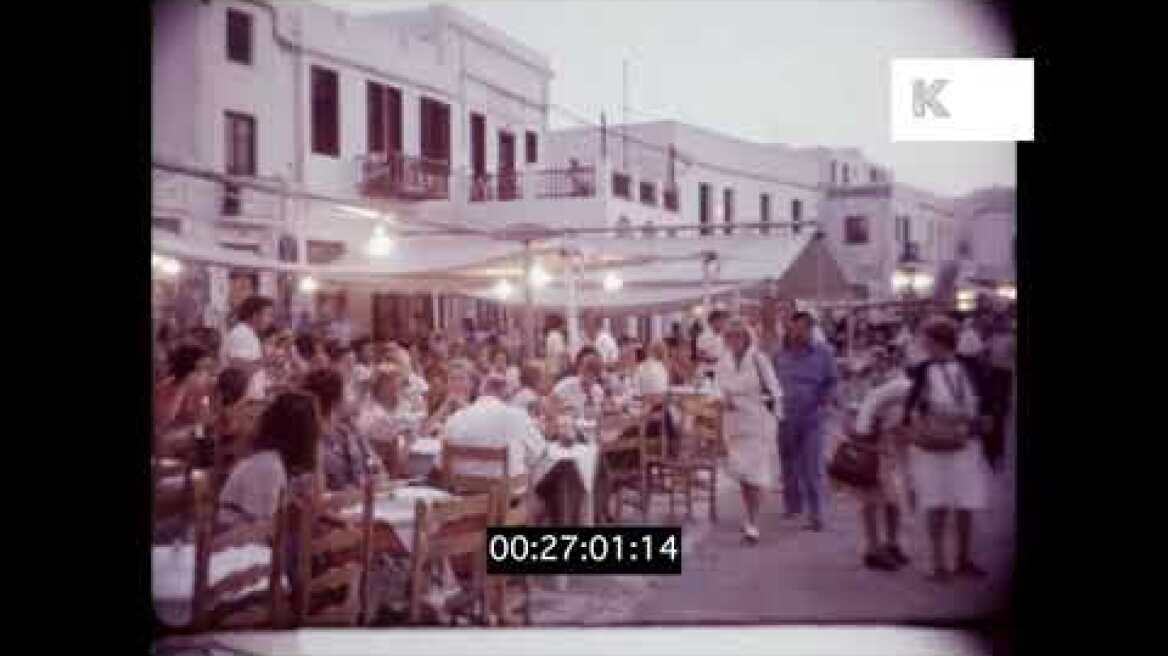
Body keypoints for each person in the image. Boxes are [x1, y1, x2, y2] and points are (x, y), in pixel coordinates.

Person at [902, 316, 992, 582]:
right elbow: (910, 409)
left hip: (965, 444)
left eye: (927, 341)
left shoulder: (970, 368)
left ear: (939, 342)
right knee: (937, 502)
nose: (924, 346)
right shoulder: (922, 371)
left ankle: (963, 559)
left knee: (965, 504)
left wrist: (977, 423)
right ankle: (938, 563)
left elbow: (986, 405)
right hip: (934, 446)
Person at [717, 318, 782, 543]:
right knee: (743, 474)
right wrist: (723, 399)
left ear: (746, 337)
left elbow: (775, 391)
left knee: (756, 474)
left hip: (756, 423)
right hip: (733, 424)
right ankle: (748, 514)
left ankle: (752, 522)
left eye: (738, 335)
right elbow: (718, 388)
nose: (733, 340)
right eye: (730, 336)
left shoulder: (758, 360)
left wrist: (772, 416)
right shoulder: (723, 361)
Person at [774, 311, 839, 532]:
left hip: (812, 416)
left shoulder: (824, 353)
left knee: (812, 465)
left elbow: (833, 381)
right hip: (785, 416)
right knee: (788, 463)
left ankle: (817, 513)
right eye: (793, 329)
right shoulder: (780, 355)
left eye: (802, 329)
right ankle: (793, 505)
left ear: (811, 329)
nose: (797, 334)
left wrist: (825, 402)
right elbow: (770, 383)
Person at [216, 391, 320, 530]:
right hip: (236, 539)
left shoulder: (280, 463)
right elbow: (264, 529)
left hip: (254, 536)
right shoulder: (268, 466)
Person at [851, 366, 914, 571]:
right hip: (871, 437)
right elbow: (871, 402)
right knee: (872, 495)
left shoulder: (913, 391)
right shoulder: (906, 387)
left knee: (893, 498)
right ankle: (873, 550)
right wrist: (865, 439)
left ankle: (892, 544)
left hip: (888, 439)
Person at [443, 374, 548, 483]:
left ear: (481, 392)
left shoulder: (456, 417)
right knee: (537, 464)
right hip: (504, 488)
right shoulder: (518, 416)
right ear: (506, 394)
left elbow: (441, 461)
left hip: (460, 486)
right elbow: (540, 451)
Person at [303, 368, 387, 492]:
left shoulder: (351, 432)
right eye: (347, 393)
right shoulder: (309, 442)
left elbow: (378, 469)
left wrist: (376, 477)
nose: (350, 398)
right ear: (337, 401)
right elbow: (316, 493)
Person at [982, 314, 1015, 471]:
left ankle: (998, 454)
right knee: (995, 412)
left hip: (1005, 372)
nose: (1001, 324)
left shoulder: (1011, 338)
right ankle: (993, 454)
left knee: (1000, 410)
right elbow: (984, 353)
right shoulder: (992, 338)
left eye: (1003, 322)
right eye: (999, 322)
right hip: (993, 373)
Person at [550, 346, 607, 418]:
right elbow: (549, 407)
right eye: (586, 370)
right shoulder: (564, 387)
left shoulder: (598, 392)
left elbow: (601, 416)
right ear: (579, 369)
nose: (589, 376)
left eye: (594, 373)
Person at [222, 296, 275, 371]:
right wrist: (268, 362)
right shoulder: (242, 334)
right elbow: (238, 365)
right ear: (255, 316)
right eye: (268, 315)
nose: (271, 320)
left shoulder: (248, 333)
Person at [696, 309, 729, 380]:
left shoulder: (724, 336)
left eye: (723, 321)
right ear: (712, 322)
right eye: (720, 321)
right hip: (708, 371)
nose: (722, 323)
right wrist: (710, 358)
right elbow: (699, 355)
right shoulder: (703, 337)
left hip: (722, 370)